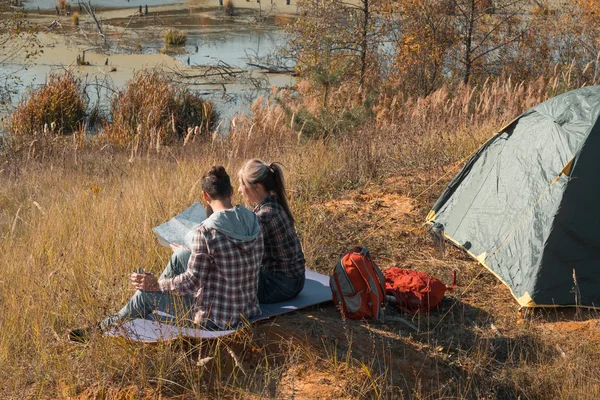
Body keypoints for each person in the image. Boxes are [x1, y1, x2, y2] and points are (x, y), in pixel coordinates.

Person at [69, 166, 263, 342]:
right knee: (180, 256)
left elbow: (191, 282)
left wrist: (157, 285)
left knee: (143, 297)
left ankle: (102, 328)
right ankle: (148, 296)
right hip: (246, 308)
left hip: (216, 318)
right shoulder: (252, 219)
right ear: (230, 191)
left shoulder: (205, 232)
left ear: (205, 196)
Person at [238, 159, 305, 304]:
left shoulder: (265, 215)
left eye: (242, 184)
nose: (239, 189)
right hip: (294, 280)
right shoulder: (274, 203)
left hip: (281, 285)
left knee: (228, 284)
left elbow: (241, 252)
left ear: (256, 187)